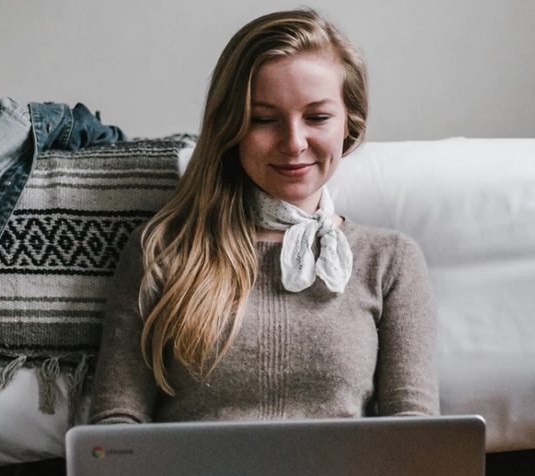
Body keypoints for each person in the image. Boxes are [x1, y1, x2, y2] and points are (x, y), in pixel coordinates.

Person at [88, 8, 438, 425]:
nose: (293, 143)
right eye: (264, 119)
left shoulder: (390, 260)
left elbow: (415, 435)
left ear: (350, 124)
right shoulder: (163, 251)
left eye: (317, 117)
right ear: (230, 128)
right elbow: (116, 425)